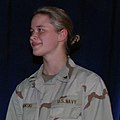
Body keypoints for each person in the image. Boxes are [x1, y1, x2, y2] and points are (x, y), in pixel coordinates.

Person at [6, 6, 113, 120]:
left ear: (61, 35)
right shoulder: (23, 90)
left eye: (40, 30)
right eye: (32, 31)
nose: (32, 37)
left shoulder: (89, 84)